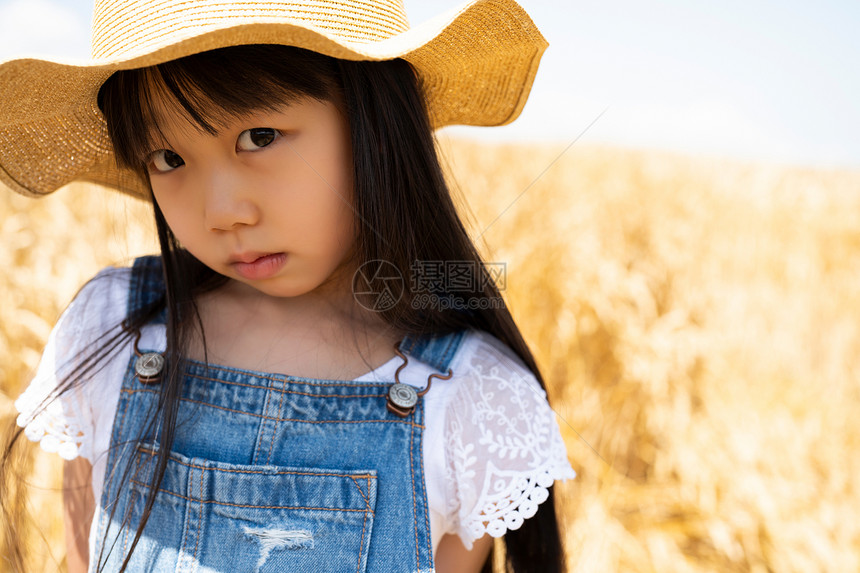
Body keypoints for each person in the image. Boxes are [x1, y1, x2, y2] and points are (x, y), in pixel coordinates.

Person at [1, 1, 575, 571]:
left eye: (260, 136)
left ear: (375, 126)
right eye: (168, 156)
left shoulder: (469, 398)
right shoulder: (115, 330)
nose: (222, 212)